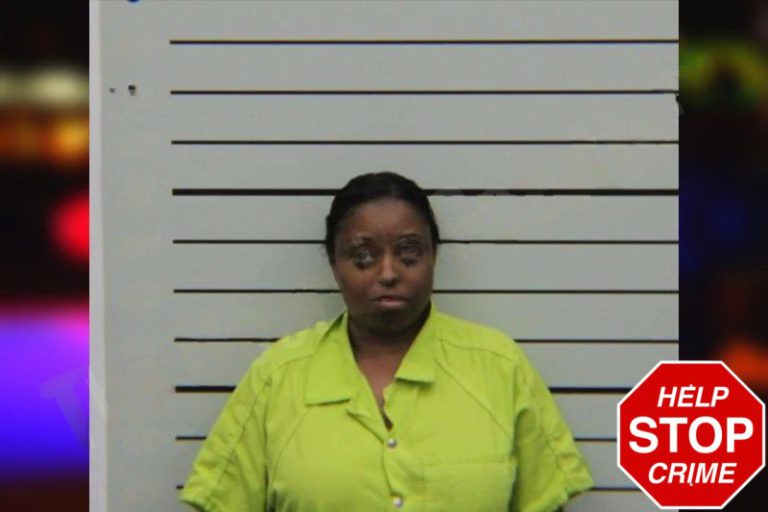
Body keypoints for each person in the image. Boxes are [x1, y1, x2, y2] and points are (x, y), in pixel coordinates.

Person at [179, 171, 593, 512]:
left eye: (409, 253)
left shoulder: (499, 367)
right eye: (363, 256)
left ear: (434, 257)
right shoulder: (278, 377)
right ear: (334, 264)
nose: (389, 273)